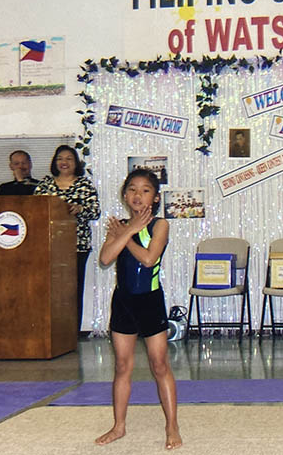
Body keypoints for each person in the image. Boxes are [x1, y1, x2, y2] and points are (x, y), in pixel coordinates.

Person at [96, 169, 181, 450]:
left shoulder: (160, 225)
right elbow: (106, 258)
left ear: (155, 198)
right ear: (124, 195)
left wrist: (128, 234)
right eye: (132, 189)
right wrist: (127, 230)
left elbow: (148, 259)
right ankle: (118, 426)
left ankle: (172, 426)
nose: (137, 195)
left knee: (159, 365)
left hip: (149, 301)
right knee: (122, 366)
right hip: (123, 302)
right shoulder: (121, 225)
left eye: (145, 190)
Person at [34, 145, 100, 334]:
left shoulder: (84, 185)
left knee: (73, 290)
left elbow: (95, 212)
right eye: (60, 159)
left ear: (76, 163)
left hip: (77, 245)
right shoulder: (45, 184)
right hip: (49, 245)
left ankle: (72, 332)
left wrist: (80, 209)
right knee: (51, 290)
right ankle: (51, 331)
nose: (64, 162)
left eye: (69, 159)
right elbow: (35, 210)